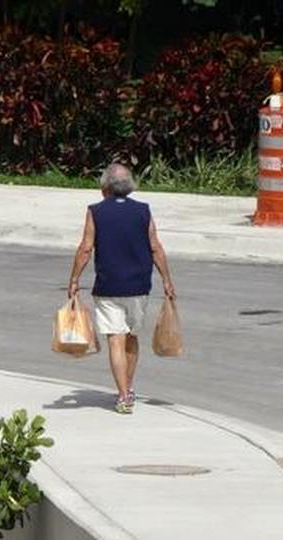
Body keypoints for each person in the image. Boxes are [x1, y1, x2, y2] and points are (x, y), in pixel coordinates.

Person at [67, 161, 176, 415]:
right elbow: (155, 247)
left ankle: (124, 395)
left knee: (115, 340)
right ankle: (129, 387)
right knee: (131, 337)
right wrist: (167, 280)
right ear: (130, 186)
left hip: (108, 285)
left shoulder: (95, 211)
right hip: (139, 285)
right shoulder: (143, 210)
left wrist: (74, 279)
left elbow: (85, 247)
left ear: (105, 186)